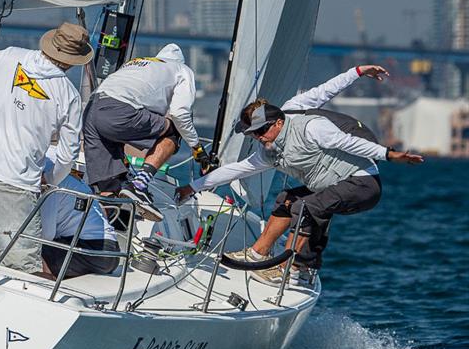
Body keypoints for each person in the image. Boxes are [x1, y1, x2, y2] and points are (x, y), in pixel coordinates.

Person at [175, 65, 424, 286]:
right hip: (333, 184)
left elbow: (348, 141)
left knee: (307, 207)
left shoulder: (311, 127)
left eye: (261, 131)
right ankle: (258, 254)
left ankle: (289, 269)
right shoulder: (268, 152)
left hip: (362, 183)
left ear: (278, 123)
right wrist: (192, 188)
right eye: (253, 134)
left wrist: (390, 155)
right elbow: (235, 170)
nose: (258, 138)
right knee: (287, 200)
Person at [0, 23, 92, 273]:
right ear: (73, 61)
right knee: (19, 269)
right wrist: (49, 179)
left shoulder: (8, 56)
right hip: (16, 187)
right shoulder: (69, 95)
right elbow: (67, 154)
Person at [83, 43, 205, 222]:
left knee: (109, 187)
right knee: (174, 129)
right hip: (118, 111)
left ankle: (95, 233)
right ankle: (139, 185)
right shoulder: (182, 70)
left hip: (91, 112)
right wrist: (197, 149)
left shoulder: (138, 63)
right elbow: (180, 113)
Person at [40, 148, 119, 279]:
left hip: (91, 250)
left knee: (29, 248)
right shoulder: (58, 165)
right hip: (108, 251)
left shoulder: (48, 178)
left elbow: (47, 235)